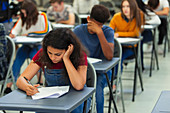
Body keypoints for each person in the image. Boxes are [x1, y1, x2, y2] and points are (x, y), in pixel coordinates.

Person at [16, 28, 91, 113]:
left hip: (77, 99)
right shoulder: (42, 54)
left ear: (68, 49)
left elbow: (79, 85)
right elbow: (21, 79)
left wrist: (66, 59)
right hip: (52, 98)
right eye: (50, 53)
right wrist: (27, 87)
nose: (52, 58)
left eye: (58, 54)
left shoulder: (79, 55)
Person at [4, 0, 52, 94]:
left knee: (36, 57)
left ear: (30, 11)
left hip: (39, 45)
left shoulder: (42, 16)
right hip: (27, 45)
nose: (24, 15)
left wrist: (29, 34)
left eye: (25, 13)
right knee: (18, 58)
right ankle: (10, 84)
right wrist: (12, 34)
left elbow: (46, 31)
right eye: (22, 13)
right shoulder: (23, 18)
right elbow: (15, 30)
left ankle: (41, 81)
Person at [73, 5, 114, 113]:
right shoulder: (78, 31)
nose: (96, 28)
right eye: (95, 24)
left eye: (100, 25)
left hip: (102, 73)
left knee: (98, 88)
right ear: (88, 19)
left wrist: (100, 33)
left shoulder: (107, 31)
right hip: (82, 70)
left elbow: (109, 56)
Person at [109, 0, 143, 75]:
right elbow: (110, 31)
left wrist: (118, 34)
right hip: (118, 46)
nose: (125, 9)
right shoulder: (116, 17)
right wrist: (114, 34)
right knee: (114, 56)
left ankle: (115, 79)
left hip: (131, 48)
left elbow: (135, 33)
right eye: (123, 7)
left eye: (128, 6)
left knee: (119, 56)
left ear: (133, 7)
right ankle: (113, 79)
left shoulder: (139, 15)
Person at [136, 0, 161, 70]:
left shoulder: (145, 10)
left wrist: (145, 22)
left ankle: (140, 65)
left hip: (145, 34)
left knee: (139, 41)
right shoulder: (128, 12)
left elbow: (158, 21)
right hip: (134, 34)